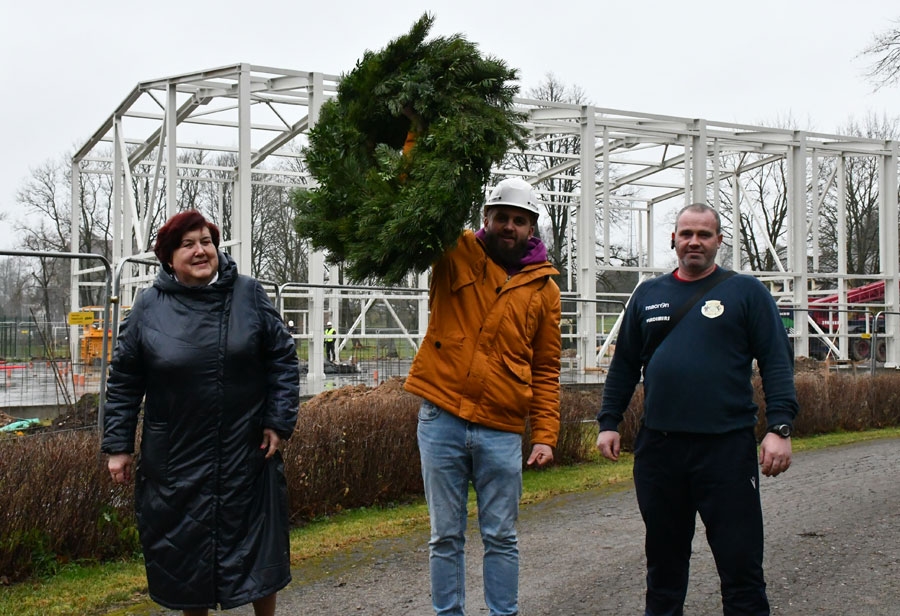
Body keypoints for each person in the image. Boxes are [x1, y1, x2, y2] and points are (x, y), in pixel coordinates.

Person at [596, 203, 799, 616]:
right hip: (660, 451)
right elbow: (624, 364)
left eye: (704, 235)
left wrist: (779, 426)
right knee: (664, 569)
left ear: (719, 241)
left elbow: (777, 361)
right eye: (686, 233)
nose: (694, 242)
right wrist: (608, 421)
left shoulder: (747, 293)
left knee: (741, 568)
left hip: (726, 450)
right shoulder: (648, 294)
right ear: (673, 239)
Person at [101, 210, 300, 616]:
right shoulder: (147, 307)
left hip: (247, 453)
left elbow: (282, 358)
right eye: (188, 244)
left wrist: (278, 421)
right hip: (176, 461)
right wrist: (118, 445)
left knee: (260, 553)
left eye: (206, 242)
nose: (200, 251)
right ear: (168, 257)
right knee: (185, 561)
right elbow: (124, 379)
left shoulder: (249, 294)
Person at [404, 177, 562, 616]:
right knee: (444, 536)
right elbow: (420, 195)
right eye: (501, 217)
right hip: (443, 418)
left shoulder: (546, 291)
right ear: (485, 219)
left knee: (501, 536)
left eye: (519, 220)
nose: (509, 226)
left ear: (532, 228)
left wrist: (546, 434)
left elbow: (546, 368)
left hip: (501, 428)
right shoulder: (453, 255)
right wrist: (419, 135)